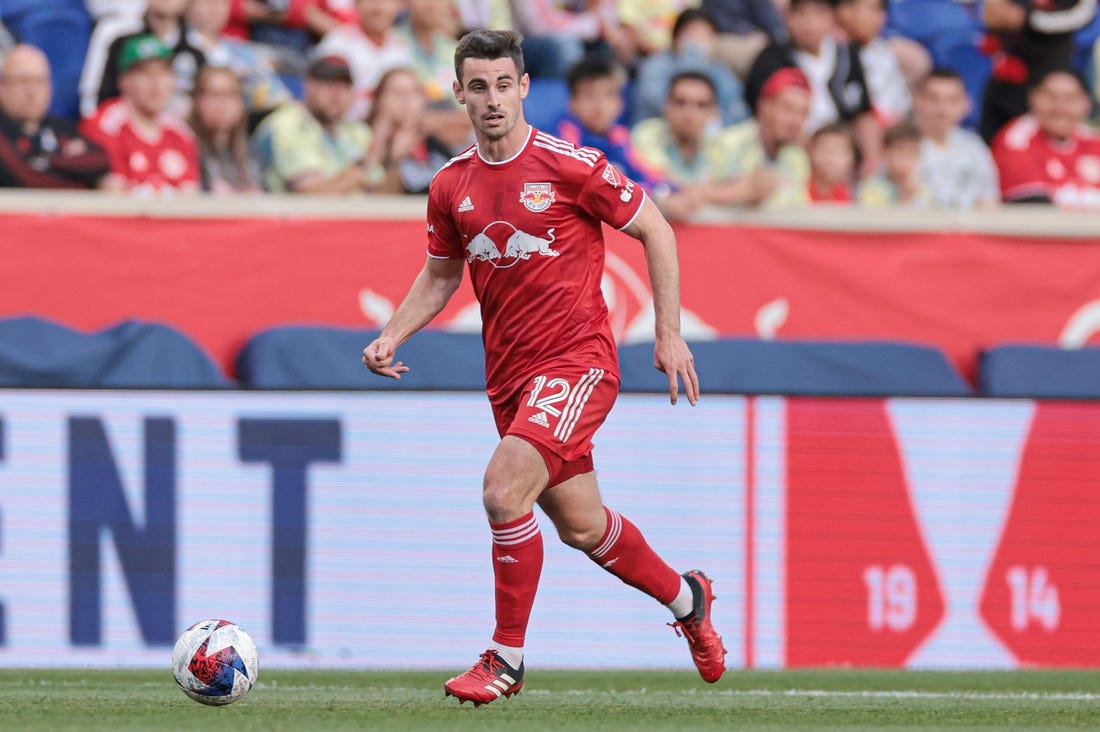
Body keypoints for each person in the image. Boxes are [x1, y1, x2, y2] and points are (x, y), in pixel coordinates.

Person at [361, 29, 727, 706]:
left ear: (524, 87)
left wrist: (668, 333)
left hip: (578, 362)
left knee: (503, 491)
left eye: (504, 85)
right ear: (460, 94)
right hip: (509, 378)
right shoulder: (450, 185)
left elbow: (657, 229)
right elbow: (442, 275)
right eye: (479, 86)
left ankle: (506, 658)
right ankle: (688, 600)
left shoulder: (570, 165)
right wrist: (394, 331)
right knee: (583, 527)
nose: (493, 99)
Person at [745, 0, 881, 178]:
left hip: (844, 151)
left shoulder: (847, 55)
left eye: (819, 13)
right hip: (794, 149)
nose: (810, 23)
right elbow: (765, 118)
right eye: (801, 13)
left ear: (833, 16)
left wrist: (871, 159)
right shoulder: (771, 58)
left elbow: (864, 114)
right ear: (788, 17)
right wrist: (816, 153)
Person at [80, 34, 202, 194]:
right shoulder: (104, 126)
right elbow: (113, 194)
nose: (156, 82)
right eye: (145, 73)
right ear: (124, 80)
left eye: (163, 73)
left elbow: (192, 200)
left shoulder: (181, 134)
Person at [251, 54, 380, 193]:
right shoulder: (287, 125)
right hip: (290, 214)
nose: (337, 94)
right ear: (308, 85)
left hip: (354, 214)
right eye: (329, 84)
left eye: (345, 86)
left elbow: (383, 193)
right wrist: (363, 168)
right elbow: (314, 196)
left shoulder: (357, 131)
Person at [631, 70, 747, 219]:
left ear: (714, 112)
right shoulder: (646, 134)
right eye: (681, 102)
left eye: (701, 105)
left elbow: (744, 188)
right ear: (666, 105)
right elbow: (655, 180)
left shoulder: (719, 145)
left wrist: (698, 193)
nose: (689, 113)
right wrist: (715, 192)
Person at [979, 0, 1096, 143]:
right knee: (991, 136)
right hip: (1006, 74)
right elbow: (990, 11)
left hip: (1047, 77)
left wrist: (1028, 18)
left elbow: (1083, 14)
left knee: (1039, 139)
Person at [0, 44, 110, 189]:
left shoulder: (62, 128)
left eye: (39, 82)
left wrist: (45, 161)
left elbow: (100, 161)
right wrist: (73, 170)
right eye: (23, 81)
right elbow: (20, 175)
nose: (31, 91)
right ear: (3, 87)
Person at [991, 68, 1100, 207]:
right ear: (1032, 97)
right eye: (1050, 97)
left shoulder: (1093, 139)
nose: (1060, 108)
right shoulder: (1017, 139)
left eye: (1070, 98)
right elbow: (1033, 210)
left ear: (1087, 103)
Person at [709, 66, 813, 208]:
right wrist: (739, 192)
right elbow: (693, 195)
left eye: (803, 113)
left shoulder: (799, 158)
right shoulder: (727, 144)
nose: (795, 121)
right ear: (764, 106)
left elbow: (802, 210)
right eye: (788, 108)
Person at [555, 56, 663, 191]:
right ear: (572, 102)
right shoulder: (563, 137)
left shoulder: (619, 135)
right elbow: (579, 184)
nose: (599, 106)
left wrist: (667, 191)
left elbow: (647, 174)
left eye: (608, 95)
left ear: (620, 102)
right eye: (589, 95)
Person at [632, 7, 750, 127]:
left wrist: (715, 124)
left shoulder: (720, 71)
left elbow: (738, 111)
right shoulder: (656, 65)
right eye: (693, 34)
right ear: (676, 39)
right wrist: (693, 56)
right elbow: (661, 104)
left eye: (706, 36)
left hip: (709, 137)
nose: (699, 42)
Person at [913, 68, 1000, 210]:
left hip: (969, 230)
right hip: (917, 228)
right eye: (933, 99)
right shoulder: (899, 145)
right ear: (917, 100)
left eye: (952, 100)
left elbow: (990, 202)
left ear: (966, 103)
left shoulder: (975, 147)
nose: (942, 109)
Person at [364, 66, 460, 193]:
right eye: (397, 92)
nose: (406, 99)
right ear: (379, 100)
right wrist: (395, 160)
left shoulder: (435, 141)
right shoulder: (368, 142)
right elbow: (375, 202)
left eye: (413, 92)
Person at [314, 0, 413, 120]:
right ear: (356, 4)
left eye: (387, 1)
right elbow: (320, 98)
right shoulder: (338, 42)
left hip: (388, 128)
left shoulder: (401, 49)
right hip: (344, 127)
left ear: (400, 6)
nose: (379, 7)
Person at [187, 65, 262, 192]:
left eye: (230, 95)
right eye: (213, 94)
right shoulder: (186, 147)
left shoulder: (251, 150)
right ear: (197, 100)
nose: (222, 104)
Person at [856, 120, 931, 206]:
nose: (906, 157)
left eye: (912, 152)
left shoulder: (924, 190)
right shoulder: (870, 188)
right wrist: (906, 195)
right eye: (900, 150)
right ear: (885, 152)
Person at [806, 121, 856, 203]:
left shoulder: (846, 195)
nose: (830, 156)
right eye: (824, 149)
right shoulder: (799, 190)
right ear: (810, 152)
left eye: (839, 151)